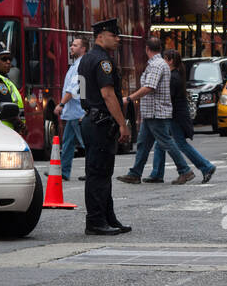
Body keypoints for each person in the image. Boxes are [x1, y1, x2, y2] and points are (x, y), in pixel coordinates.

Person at [78, 18, 132, 235]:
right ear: (100, 36)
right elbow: (108, 95)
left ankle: (107, 217)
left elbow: (82, 94)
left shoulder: (85, 59)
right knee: (98, 174)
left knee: (101, 172)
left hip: (91, 119)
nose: (118, 39)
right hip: (101, 122)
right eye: (114, 35)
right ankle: (95, 221)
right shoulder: (103, 61)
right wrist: (122, 124)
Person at [118, 37, 179, 184]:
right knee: (143, 143)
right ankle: (135, 173)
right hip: (150, 111)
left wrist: (129, 98)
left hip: (155, 111)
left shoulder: (156, 65)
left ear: (147, 49)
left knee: (166, 142)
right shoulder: (157, 64)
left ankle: (184, 170)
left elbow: (149, 87)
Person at [161, 49, 216, 183]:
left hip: (177, 116)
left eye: (165, 59)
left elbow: (169, 98)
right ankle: (157, 173)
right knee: (165, 142)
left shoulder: (174, 77)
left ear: (170, 61)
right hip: (177, 115)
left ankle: (206, 166)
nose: (163, 62)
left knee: (180, 144)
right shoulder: (176, 74)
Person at [54, 35, 89, 182]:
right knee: (68, 143)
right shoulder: (75, 65)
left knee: (86, 144)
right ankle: (64, 172)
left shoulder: (80, 65)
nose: (71, 47)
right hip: (73, 112)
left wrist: (61, 104)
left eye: (75, 45)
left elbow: (74, 89)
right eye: (72, 45)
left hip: (78, 112)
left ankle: (91, 171)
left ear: (83, 48)